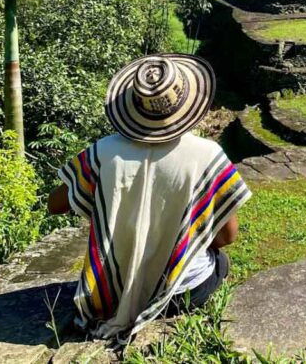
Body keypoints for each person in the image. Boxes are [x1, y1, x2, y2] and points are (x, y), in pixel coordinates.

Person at [47, 54, 251, 340]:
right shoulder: (208, 156)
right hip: (184, 292)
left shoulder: (103, 153)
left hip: (113, 296)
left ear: (133, 103)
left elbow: (54, 205)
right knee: (222, 262)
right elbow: (226, 237)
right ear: (186, 101)